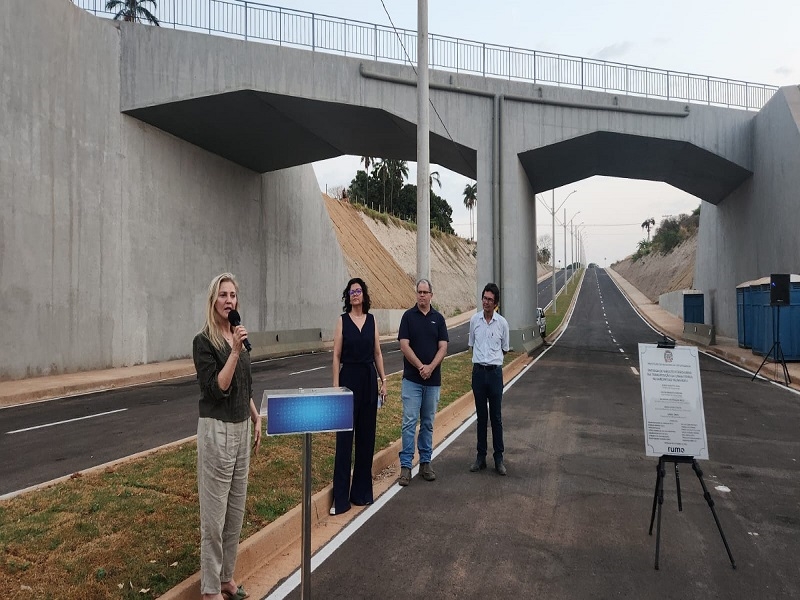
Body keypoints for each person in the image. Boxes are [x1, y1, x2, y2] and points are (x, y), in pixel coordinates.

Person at [193, 273, 262, 600]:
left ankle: (225, 579)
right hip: (217, 429)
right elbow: (217, 387)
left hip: (241, 427)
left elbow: (242, 384)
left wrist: (254, 416)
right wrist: (234, 351)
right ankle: (209, 590)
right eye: (223, 295)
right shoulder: (204, 342)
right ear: (213, 300)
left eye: (233, 295)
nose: (229, 300)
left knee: (235, 511)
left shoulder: (237, 335)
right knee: (214, 515)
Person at [331, 277, 388, 515]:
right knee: (344, 441)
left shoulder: (372, 321)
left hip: (368, 380)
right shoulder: (342, 321)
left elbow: (377, 352)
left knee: (366, 439)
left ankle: (362, 493)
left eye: (358, 290)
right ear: (348, 296)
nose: (355, 294)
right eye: (351, 291)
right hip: (348, 381)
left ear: (363, 295)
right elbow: (335, 355)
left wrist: (383, 381)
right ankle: (340, 500)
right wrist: (335, 387)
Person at [397, 278, 449, 486]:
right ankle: (406, 467)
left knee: (427, 424)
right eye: (419, 292)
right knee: (409, 423)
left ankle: (426, 462)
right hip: (412, 380)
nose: (422, 295)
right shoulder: (408, 317)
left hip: (432, 381)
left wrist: (431, 368)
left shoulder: (439, 319)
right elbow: (404, 345)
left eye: (425, 292)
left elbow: (443, 347)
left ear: (431, 295)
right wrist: (420, 366)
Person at [468, 282, 510, 476]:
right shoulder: (474, 321)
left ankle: (499, 458)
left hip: (494, 374)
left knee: (496, 417)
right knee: (481, 418)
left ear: (496, 303)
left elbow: (505, 349)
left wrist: (492, 363)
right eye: (484, 298)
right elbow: (472, 344)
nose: (486, 302)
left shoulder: (502, 324)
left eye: (490, 300)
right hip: (478, 373)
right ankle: (480, 457)